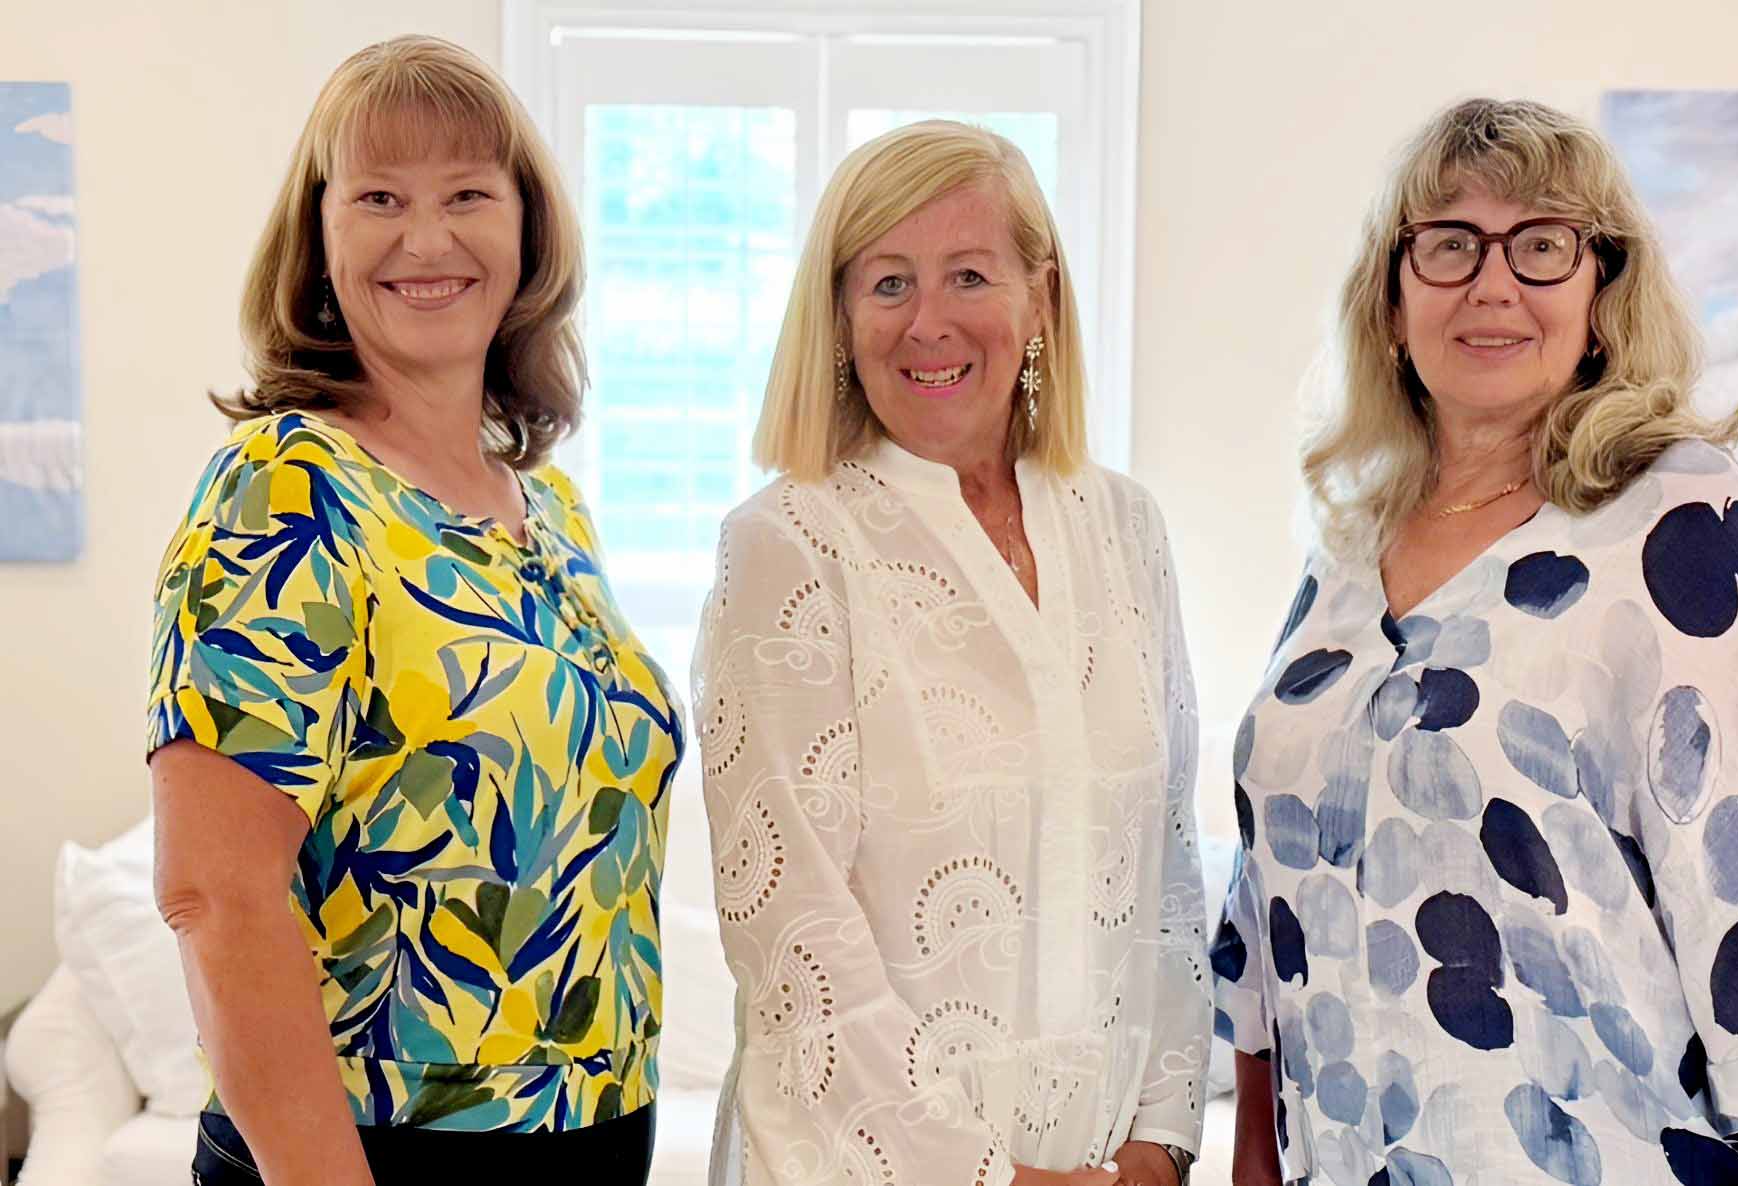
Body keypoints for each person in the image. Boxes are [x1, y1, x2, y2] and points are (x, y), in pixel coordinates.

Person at [1216, 98, 1738, 1186]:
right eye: (1448, 244)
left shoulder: (1683, 522)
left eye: (1540, 245)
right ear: (1390, 302)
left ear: (1601, 295)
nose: (1492, 284)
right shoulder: (1347, 546)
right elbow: (1264, 915)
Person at [147, 35, 682, 1186]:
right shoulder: (286, 487)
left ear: (527, 229)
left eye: (466, 195)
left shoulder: (552, 512)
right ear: (319, 236)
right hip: (370, 1153)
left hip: (598, 1130)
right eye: (379, 197)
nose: (426, 239)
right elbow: (216, 894)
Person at [691, 120, 1209, 1186]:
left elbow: (1166, 867)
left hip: (1107, 1161)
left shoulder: (1125, 529)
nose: (927, 322)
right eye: (888, 283)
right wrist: (996, 1182)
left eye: (968, 274)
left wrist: (1163, 1141)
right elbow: (796, 942)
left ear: (1039, 300)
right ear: (840, 319)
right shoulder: (789, 543)